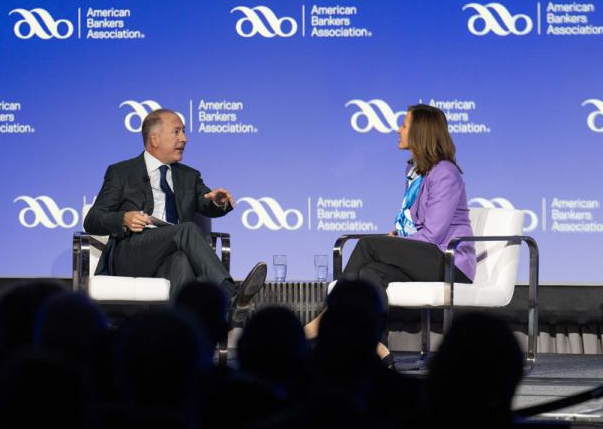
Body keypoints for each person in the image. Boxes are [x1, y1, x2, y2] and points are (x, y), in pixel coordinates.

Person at [304, 104, 475, 364]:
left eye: (404, 125)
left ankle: (326, 318)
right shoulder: (417, 171)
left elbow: (432, 235)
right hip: (427, 258)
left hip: (449, 262)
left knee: (368, 246)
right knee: (371, 272)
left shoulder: (445, 174)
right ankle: (377, 347)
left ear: (420, 132)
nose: (398, 129)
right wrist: (398, 240)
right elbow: (414, 224)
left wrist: (394, 245)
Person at [84, 108, 266, 321]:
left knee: (181, 261)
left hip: (170, 255)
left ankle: (177, 338)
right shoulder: (121, 172)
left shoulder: (189, 176)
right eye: (177, 132)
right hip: (132, 252)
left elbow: (205, 203)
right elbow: (93, 220)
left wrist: (218, 203)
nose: (185, 138)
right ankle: (229, 294)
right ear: (155, 138)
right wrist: (123, 218)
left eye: (184, 132)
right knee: (187, 229)